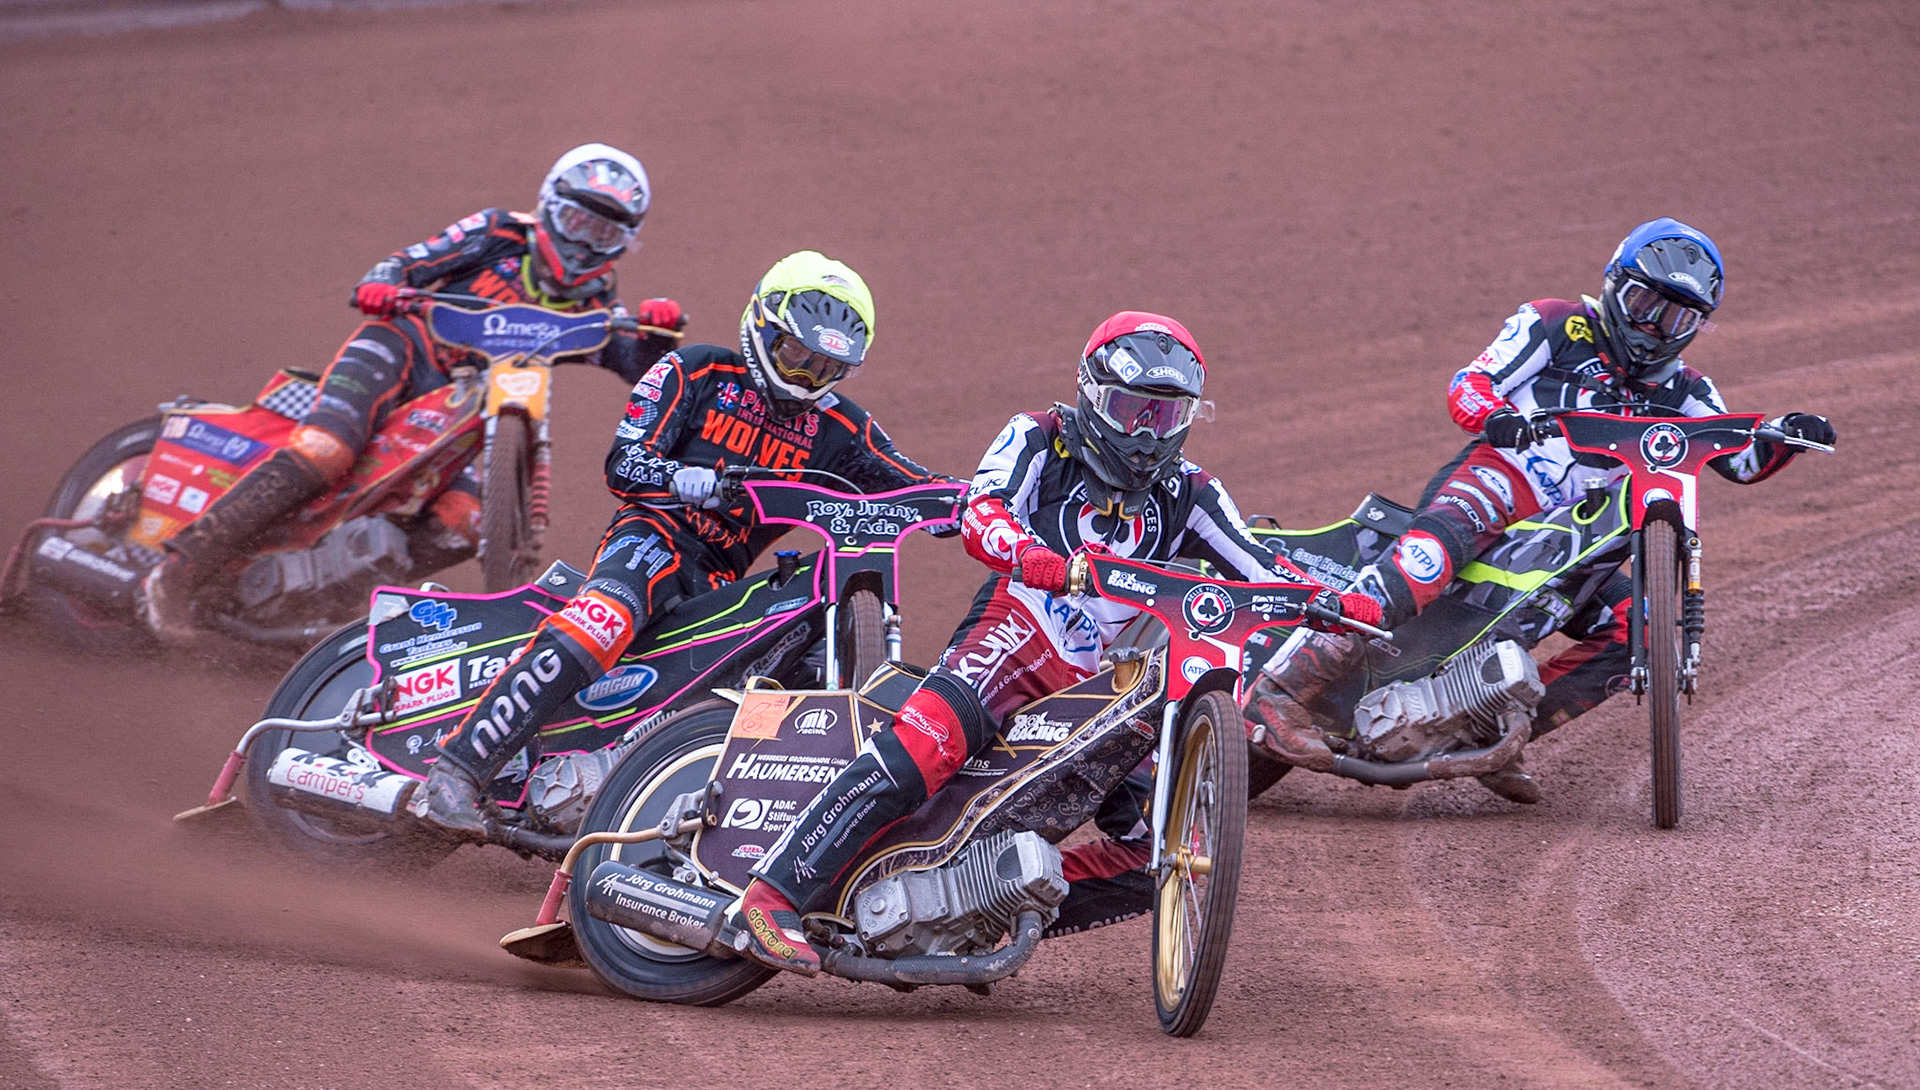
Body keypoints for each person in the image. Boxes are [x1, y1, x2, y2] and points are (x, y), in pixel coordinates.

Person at [731, 311, 1383, 975]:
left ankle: (984, 908)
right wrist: (1031, 555)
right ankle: (773, 891)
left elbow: (1254, 563)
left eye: (1166, 416)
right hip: (1015, 627)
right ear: (1093, 394)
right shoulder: (1038, 438)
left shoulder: (1192, 491)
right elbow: (981, 513)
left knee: (1153, 850)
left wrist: (1332, 601)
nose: (1145, 433)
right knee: (929, 743)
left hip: (1093, 681)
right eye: (1132, 409)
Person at [1247, 218, 1836, 800]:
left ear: (1698, 326)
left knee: (1648, 628)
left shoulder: (1689, 391)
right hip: (1499, 484)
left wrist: (1787, 436)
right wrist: (1494, 417)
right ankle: (1281, 695)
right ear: (1612, 283)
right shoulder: (1554, 324)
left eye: (1678, 315)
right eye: (1644, 302)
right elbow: (1471, 383)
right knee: (1422, 565)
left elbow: (1740, 462)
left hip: (1579, 538)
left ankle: (1492, 731)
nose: (1655, 326)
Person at [419, 251, 941, 832]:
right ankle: (457, 770)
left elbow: (916, 484)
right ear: (762, 326)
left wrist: (983, 503)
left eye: (824, 369)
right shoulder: (694, 372)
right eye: (797, 355)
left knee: (781, 669)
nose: (805, 378)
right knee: (604, 618)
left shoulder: (842, 429)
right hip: (652, 538)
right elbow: (622, 464)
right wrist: (674, 477)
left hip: (721, 581)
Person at [139, 143, 685, 639]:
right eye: (576, 221)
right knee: (327, 451)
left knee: (465, 520)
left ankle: (315, 601)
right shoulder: (497, 233)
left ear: (626, 243)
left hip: (471, 414)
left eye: (605, 234)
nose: (586, 243)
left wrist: (656, 335)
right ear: (548, 206)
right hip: (402, 350)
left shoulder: (596, 303)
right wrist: (383, 284)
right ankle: (179, 569)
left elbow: (639, 369)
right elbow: (407, 263)